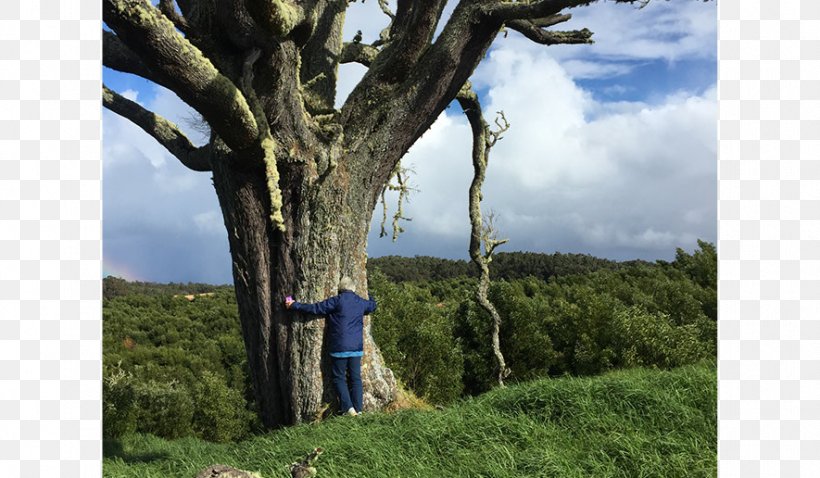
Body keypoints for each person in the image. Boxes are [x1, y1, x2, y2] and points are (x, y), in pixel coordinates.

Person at [285, 276, 377, 416]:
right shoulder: (360, 302)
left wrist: (293, 305)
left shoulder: (336, 301)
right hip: (356, 348)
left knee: (339, 378)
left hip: (339, 347)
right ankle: (359, 411)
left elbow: (315, 308)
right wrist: (369, 295)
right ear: (353, 288)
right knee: (355, 378)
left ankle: (349, 409)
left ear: (340, 289)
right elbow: (372, 306)